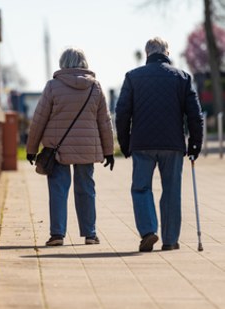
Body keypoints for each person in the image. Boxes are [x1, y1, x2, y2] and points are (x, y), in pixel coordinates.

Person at [115, 37, 203, 252]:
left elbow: (122, 113)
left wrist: (125, 143)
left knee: (141, 188)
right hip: (172, 144)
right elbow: (195, 114)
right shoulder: (182, 77)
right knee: (172, 190)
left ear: (147, 53)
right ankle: (170, 240)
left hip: (142, 143)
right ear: (167, 52)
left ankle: (148, 231)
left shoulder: (133, 77)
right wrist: (195, 143)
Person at [26, 47, 114, 246]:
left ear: (62, 63)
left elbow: (39, 119)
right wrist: (108, 151)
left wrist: (31, 149)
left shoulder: (53, 86)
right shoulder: (95, 87)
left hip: (57, 147)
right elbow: (105, 122)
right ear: (84, 63)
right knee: (86, 189)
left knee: (58, 189)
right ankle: (90, 234)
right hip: (86, 148)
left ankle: (57, 234)